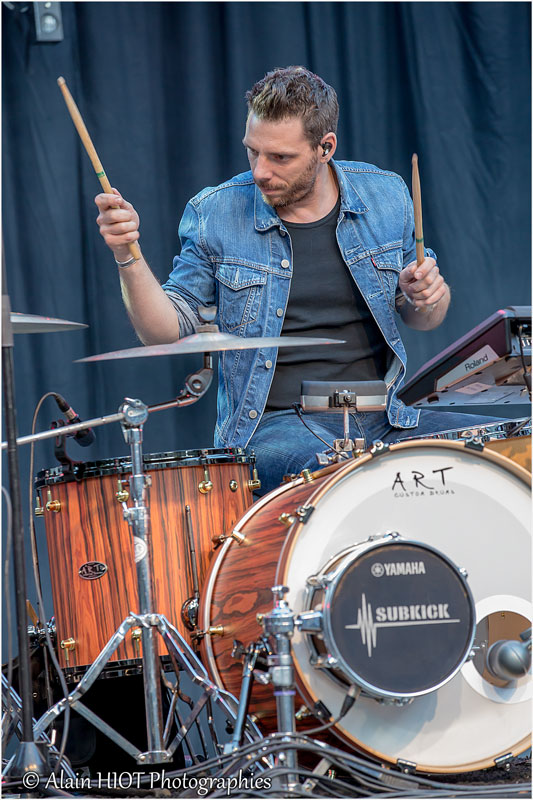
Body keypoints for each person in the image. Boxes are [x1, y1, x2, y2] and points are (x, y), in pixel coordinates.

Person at [95, 66, 500, 494]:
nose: (260, 171)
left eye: (280, 158)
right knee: (342, 477)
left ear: (325, 148)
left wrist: (427, 295)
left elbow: (424, 317)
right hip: (275, 427)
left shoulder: (386, 196)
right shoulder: (215, 212)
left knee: (508, 446)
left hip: (386, 418)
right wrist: (127, 254)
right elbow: (162, 332)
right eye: (252, 152)